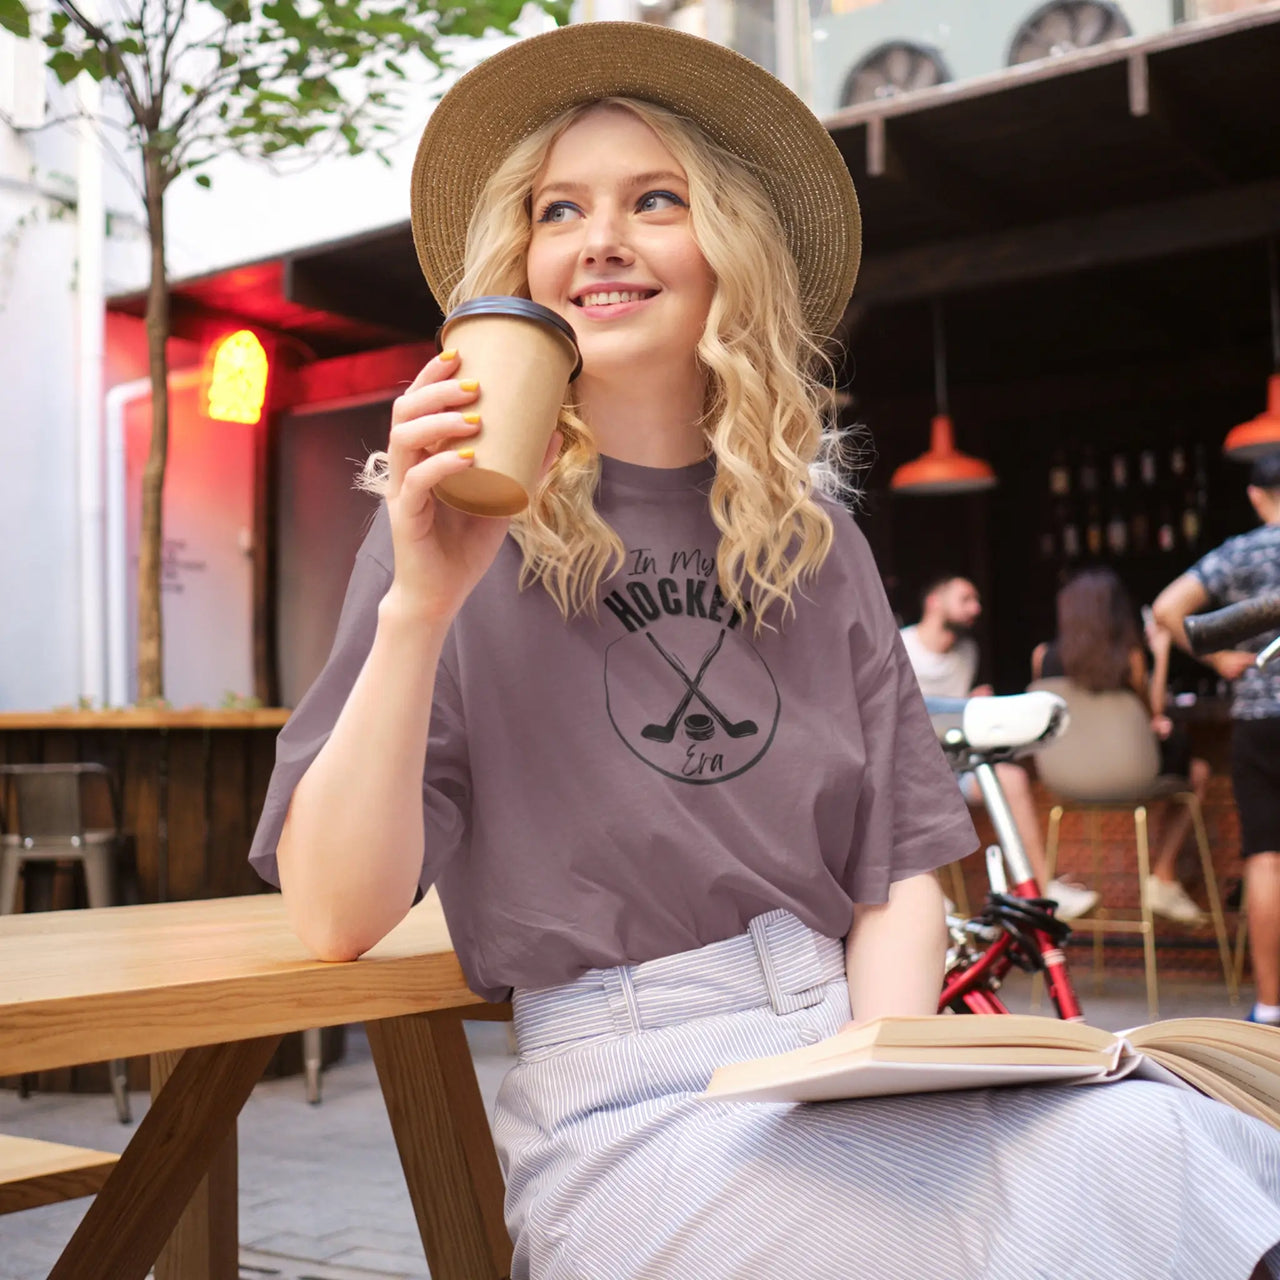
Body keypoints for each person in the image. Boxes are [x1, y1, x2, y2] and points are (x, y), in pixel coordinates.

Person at [248, 24, 1280, 1279]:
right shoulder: (442, 531)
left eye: (654, 199)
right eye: (557, 207)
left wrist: (887, 1062)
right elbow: (334, 911)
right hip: (626, 1111)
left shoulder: (818, 542)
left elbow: (892, 874)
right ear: (519, 263)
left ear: (725, 250)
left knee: (1169, 1144)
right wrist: (417, 604)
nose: (600, 236)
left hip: (844, 1052)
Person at [1155, 451, 1280, 1027]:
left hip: (1260, 719)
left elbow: (1167, 607)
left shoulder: (1241, 551)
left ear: (1257, 496)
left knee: (1265, 858)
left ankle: (1269, 1006)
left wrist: (1229, 657)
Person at [902, 575, 1099, 921]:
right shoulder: (900, 647)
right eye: (965, 599)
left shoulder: (967, 652)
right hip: (909, 770)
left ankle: (1040, 889)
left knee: (1011, 778)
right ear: (934, 600)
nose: (975, 609)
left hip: (953, 766)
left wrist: (970, 705)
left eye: (977, 600)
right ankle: (925, 900)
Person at [1031, 567, 1213, 925]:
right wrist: (1160, 654)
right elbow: (1153, 716)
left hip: (1065, 782)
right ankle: (1162, 874)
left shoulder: (1042, 657)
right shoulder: (1129, 658)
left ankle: (1161, 878)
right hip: (1131, 777)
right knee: (1199, 772)